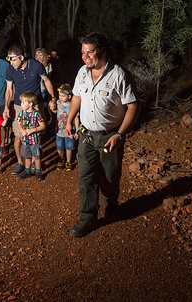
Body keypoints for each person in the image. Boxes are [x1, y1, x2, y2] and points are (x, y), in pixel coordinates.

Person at [65, 33, 138, 238]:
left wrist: (120, 135)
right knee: (85, 176)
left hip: (109, 137)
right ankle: (88, 217)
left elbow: (132, 106)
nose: (85, 57)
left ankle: (111, 204)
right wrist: (70, 119)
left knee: (109, 177)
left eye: (90, 52)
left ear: (102, 50)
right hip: (87, 136)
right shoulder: (82, 72)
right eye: (83, 52)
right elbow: (77, 96)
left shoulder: (119, 75)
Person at [3, 44, 57, 175]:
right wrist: (6, 106)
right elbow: (9, 89)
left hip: (35, 104)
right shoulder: (10, 69)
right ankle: (21, 163)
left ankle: (34, 162)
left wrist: (53, 97)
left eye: (13, 59)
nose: (11, 62)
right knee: (18, 137)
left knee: (35, 136)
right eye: (9, 59)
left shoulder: (36, 65)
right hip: (19, 105)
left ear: (21, 57)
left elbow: (46, 81)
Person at [15, 92, 46, 181]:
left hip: (35, 140)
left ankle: (38, 171)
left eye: (23, 102)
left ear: (30, 104)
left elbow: (42, 126)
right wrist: (21, 130)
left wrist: (32, 130)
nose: (21, 104)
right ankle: (27, 171)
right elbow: (19, 124)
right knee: (27, 156)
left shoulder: (37, 114)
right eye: (21, 102)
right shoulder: (22, 113)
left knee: (36, 156)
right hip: (25, 140)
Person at [55, 83, 79, 172]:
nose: (61, 97)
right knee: (59, 147)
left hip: (70, 131)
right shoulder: (58, 103)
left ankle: (68, 162)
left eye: (63, 96)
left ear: (69, 96)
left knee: (69, 147)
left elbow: (76, 118)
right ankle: (61, 159)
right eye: (60, 95)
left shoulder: (73, 105)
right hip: (59, 131)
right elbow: (54, 111)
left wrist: (77, 130)